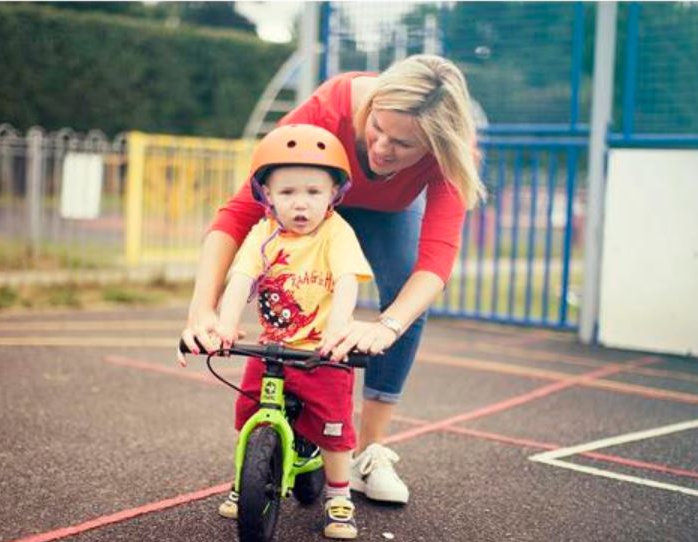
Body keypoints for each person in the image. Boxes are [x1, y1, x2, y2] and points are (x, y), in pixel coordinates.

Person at [179, 54, 484, 506]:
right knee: (284, 270)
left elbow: (436, 260)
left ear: (436, 145)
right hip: (316, 198)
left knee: (404, 290)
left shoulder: (451, 152)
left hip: (389, 211)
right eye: (377, 128)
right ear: (372, 103)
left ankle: (370, 452)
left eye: (403, 144)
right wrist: (202, 309)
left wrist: (386, 326)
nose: (381, 148)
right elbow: (239, 212)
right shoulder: (331, 107)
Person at [181, 123, 373, 539]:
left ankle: (339, 497)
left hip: (321, 353)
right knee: (249, 413)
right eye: (287, 193)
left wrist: (338, 330)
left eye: (313, 192)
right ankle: (242, 481)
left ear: (334, 195)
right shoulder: (262, 233)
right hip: (272, 349)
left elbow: (345, 282)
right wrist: (226, 324)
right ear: (267, 195)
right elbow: (243, 279)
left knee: (335, 427)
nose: (300, 204)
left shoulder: (336, 233)